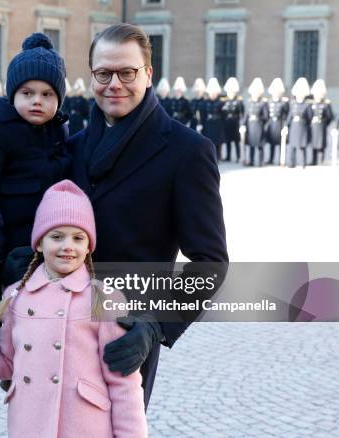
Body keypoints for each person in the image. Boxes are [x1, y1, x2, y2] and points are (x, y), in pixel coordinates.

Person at [70, 23, 228, 409]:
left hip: (128, 330)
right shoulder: (70, 147)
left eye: (127, 72)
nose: (114, 84)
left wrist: (155, 325)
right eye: (103, 73)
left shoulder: (187, 151)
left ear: (148, 74)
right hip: (62, 327)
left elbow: (210, 262)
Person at [0, 180, 147, 438]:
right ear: (39, 243)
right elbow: (9, 361)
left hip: (86, 426)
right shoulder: (16, 297)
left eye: (78, 238)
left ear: (89, 247)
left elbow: (123, 383)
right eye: (57, 236)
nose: (68, 246)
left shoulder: (104, 298)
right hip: (28, 423)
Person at [0, 32, 71, 287]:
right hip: (12, 237)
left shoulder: (57, 129)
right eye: (28, 93)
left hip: (52, 237)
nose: (37, 101)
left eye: (47, 94)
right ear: (13, 94)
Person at [284, 77, 312, 168]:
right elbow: (289, 116)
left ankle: (303, 163)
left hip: (302, 126)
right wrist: (285, 126)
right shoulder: (293, 103)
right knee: (292, 145)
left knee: (302, 145)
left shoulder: (307, 104)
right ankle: (291, 163)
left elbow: (309, 117)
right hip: (294, 126)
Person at [241, 78, 268, 166]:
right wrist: (242, 124)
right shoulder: (248, 102)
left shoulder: (263, 103)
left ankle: (260, 161)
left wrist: (259, 119)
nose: (255, 94)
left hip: (259, 126)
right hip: (250, 126)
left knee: (260, 145)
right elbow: (245, 115)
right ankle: (251, 160)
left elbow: (266, 116)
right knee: (251, 144)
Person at [309, 79, 334, 166]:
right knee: (313, 143)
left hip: (322, 126)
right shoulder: (311, 103)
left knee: (321, 143)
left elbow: (330, 116)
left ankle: (321, 159)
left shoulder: (326, 104)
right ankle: (313, 160)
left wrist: (325, 123)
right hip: (313, 126)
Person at [265, 78, 289, 165]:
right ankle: (271, 159)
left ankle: (280, 159)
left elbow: (286, 114)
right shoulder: (269, 101)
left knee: (280, 143)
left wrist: (285, 125)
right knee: (272, 143)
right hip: (272, 124)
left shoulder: (284, 102)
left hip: (280, 123)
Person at [202, 77, 225, 161]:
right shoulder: (205, 102)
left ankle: (218, 157)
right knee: (209, 141)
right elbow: (203, 114)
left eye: (214, 92)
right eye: (211, 92)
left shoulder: (221, 102)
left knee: (218, 142)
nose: (213, 94)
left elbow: (223, 115)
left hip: (218, 123)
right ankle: (210, 156)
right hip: (209, 123)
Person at [222, 77, 244, 162]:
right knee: (227, 141)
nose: (231, 92)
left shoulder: (239, 100)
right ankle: (228, 156)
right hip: (227, 122)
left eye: (233, 91)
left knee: (236, 141)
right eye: (229, 91)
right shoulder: (223, 100)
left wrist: (242, 124)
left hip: (235, 123)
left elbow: (242, 113)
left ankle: (238, 156)